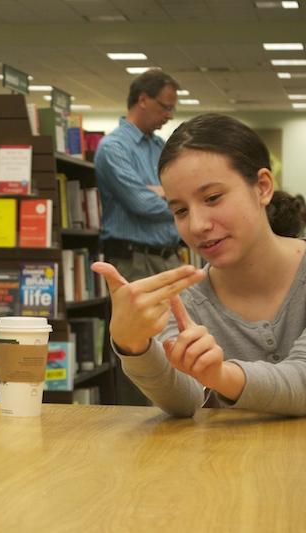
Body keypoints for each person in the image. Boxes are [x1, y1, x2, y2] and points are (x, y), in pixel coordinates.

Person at [93, 113, 306, 417]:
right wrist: (132, 345)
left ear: (263, 187)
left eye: (213, 198)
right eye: (180, 210)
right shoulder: (182, 301)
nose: (198, 225)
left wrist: (219, 375)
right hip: (237, 463)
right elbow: (184, 401)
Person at [94, 70, 183, 405]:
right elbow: (140, 203)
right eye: (164, 106)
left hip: (168, 256)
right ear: (142, 99)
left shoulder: (162, 147)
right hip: (133, 260)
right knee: (138, 346)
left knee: (174, 344)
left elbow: (180, 194)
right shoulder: (112, 148)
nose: (169, 115)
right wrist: (167, 196)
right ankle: (136, 427)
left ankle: (175, 411)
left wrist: (164, 193)